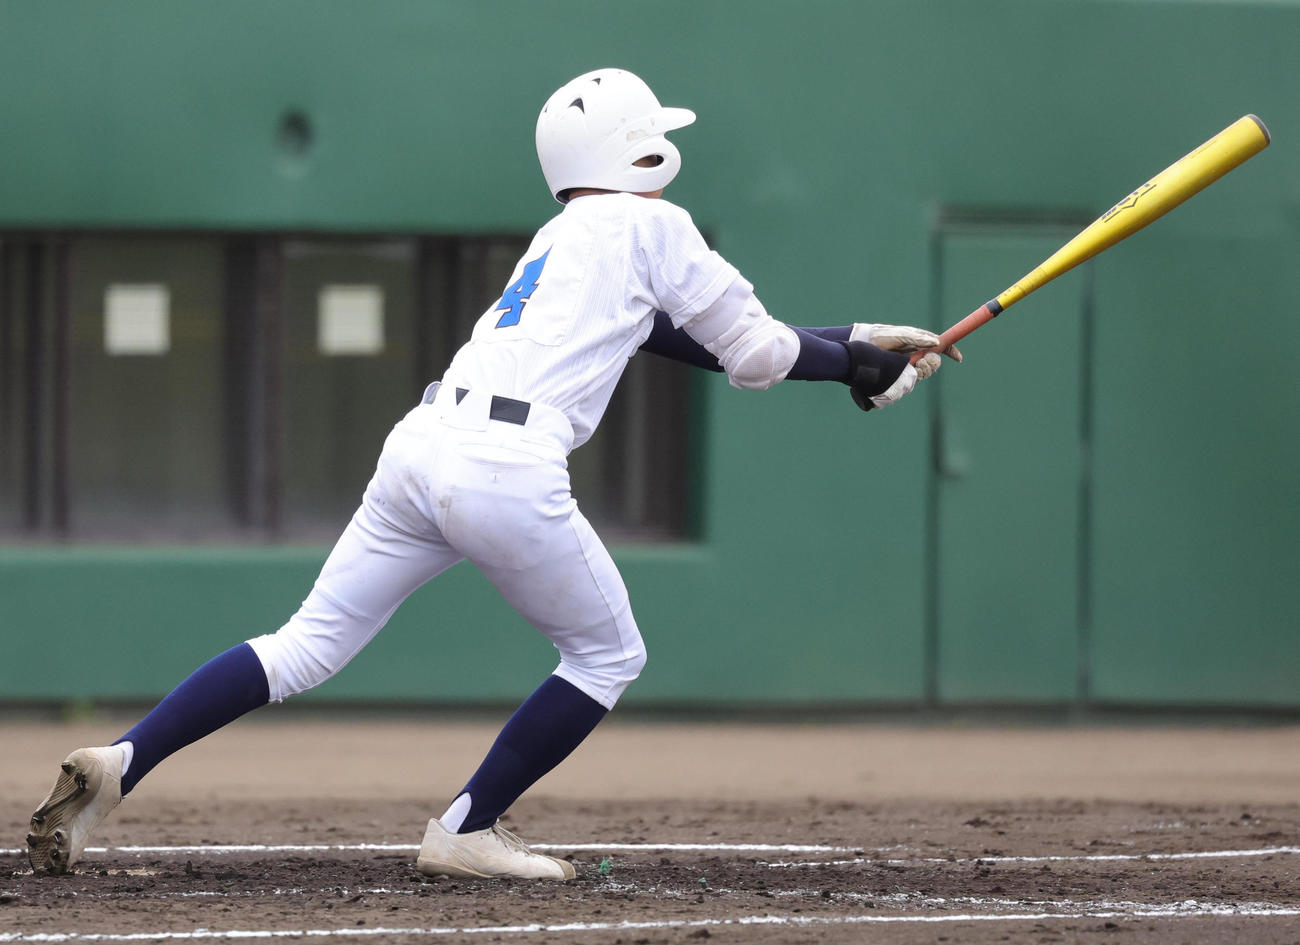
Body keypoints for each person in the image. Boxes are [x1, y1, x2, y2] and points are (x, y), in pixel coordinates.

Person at [26, 68, 959, 881]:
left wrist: (852, 342)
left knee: (303, 645)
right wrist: (851, 369)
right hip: (505, 469)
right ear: (632, 151)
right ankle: (467, 827)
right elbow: (754, 356)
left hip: (423, 445)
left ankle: (124, 757)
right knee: (607, 656)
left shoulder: (563, 235)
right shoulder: (653, 222)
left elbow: (676, 336)